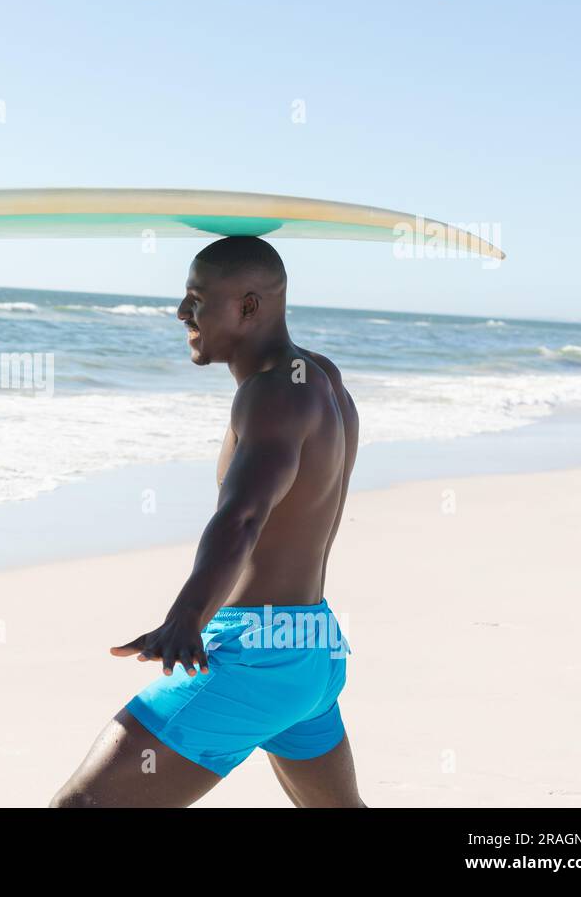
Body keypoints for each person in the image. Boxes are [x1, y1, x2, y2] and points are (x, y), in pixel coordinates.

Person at [51, 236, 365, 807]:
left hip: (256, 655)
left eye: (196, 299)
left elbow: (244, 516)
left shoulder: (272, 394)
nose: (180, 313)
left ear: (248, 306)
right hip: (312, 647)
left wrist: (186, 617)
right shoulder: (321, 377)